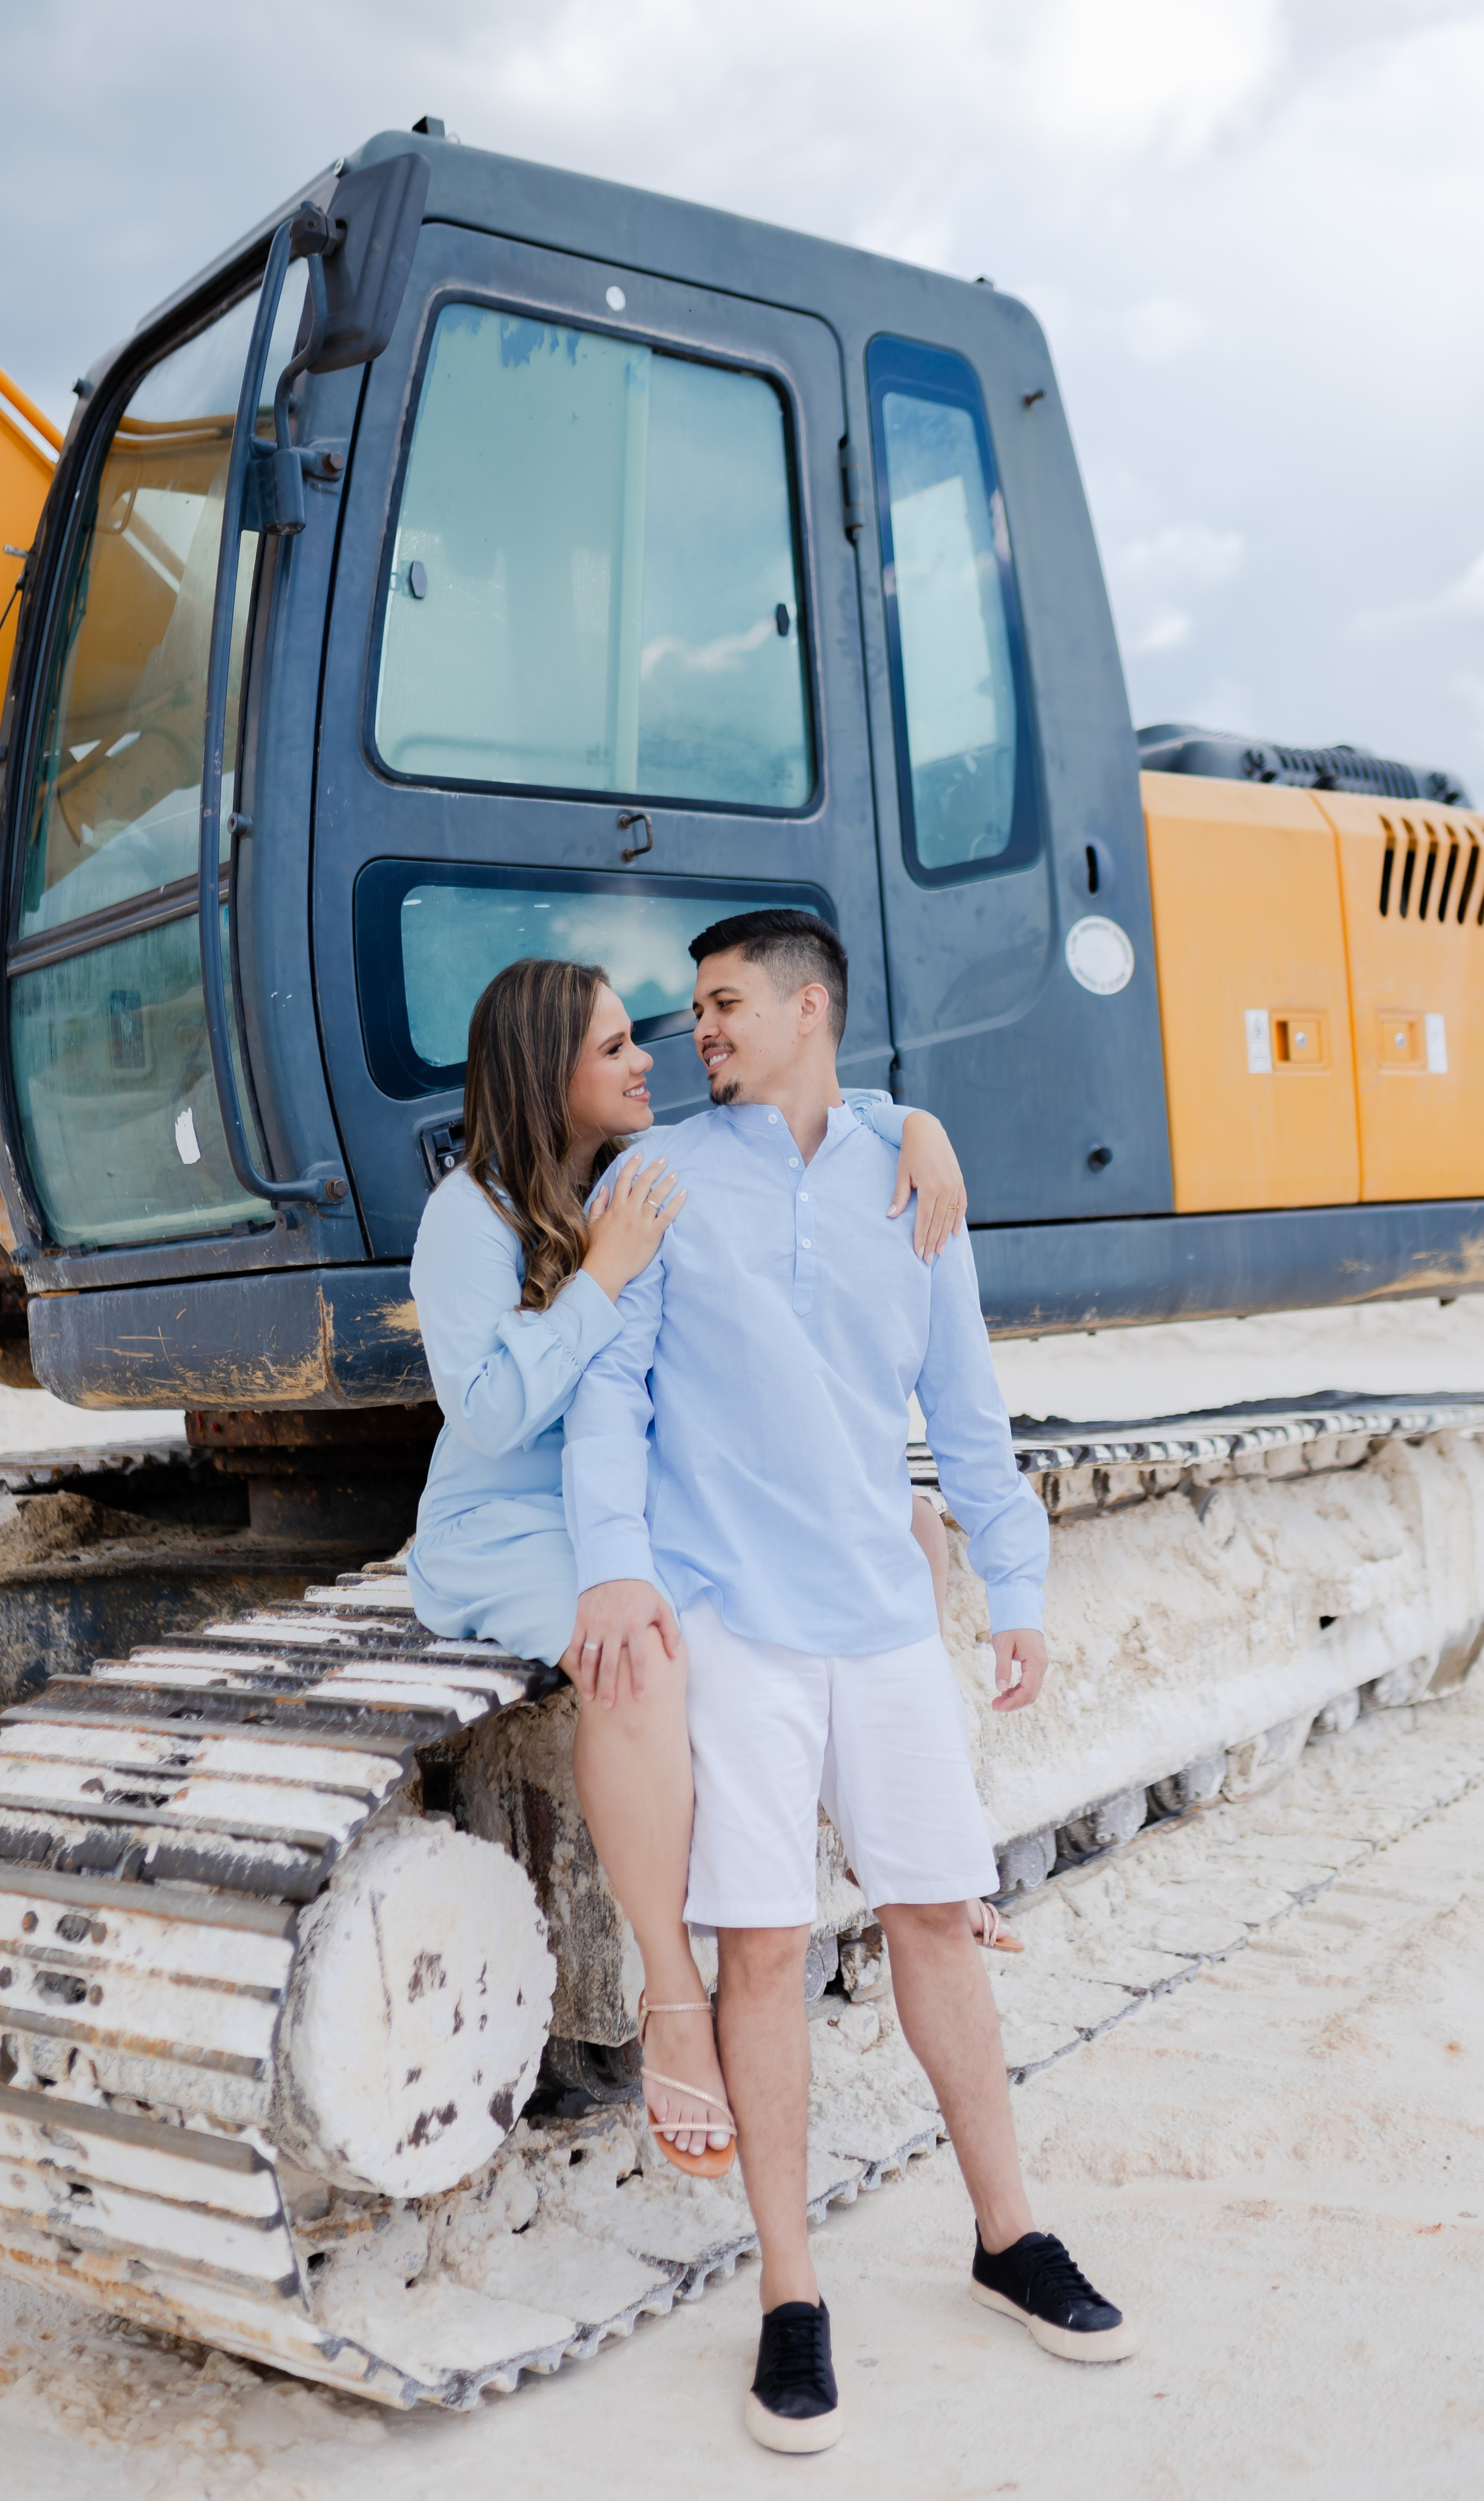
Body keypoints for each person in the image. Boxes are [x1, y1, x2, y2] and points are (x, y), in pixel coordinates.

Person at [561, 909, 1136, 2452]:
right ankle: (790, 2298)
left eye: (726, 1003)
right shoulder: (658, 1178)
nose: (700, 1034)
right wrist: (613, 1561)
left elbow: (961, 1396)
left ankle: (1007, 2236)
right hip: (733, 1622)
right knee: (759, 1950)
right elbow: (608, 1395)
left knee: (938, 1916)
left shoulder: (905, 1171)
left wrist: (1010, 1586)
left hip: (882, 1621)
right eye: (690, 1012)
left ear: (810, 1008)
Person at [407, 953, 973, 2173]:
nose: (646, 1058)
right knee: (646, 1661)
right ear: (545, 1069)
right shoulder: (470, 1215)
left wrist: (913, 1122)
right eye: (613, 1047)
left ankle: (907, 1852)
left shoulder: (621, 1176)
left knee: (911, 1532)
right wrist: (604, 1276)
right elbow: (492, 1416)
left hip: (623, 1503)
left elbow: (811, 1111)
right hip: (512, 1523)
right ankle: (675, 1994)